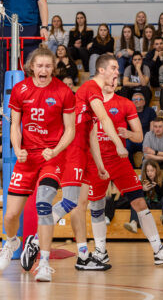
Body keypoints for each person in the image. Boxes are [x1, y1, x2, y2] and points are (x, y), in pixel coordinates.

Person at [28, 54, 128, 274]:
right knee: (73, 202)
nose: (117, 72)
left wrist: (100, 164)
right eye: (113, 68)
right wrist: (118, 143)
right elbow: (104, 119)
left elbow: (92, 133)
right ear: (101, 70)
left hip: (83, 153)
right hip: (71, 152)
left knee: (77, 203)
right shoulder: (91, 88)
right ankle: (37, 240)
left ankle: (82, 255)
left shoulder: (92, 97)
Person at [76, 83, 163, 266]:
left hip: (119, 160)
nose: (112, 81)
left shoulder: (125, 103)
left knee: (139, 201)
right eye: (109, 76)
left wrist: (128, 133)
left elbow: (140, 137)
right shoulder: (90, 102)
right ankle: (101, 252)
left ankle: (158, 250)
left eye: (116, 77)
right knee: (96, 205)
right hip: (96, 161)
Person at [0, 47, 76, 283]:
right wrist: (17, 149)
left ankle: (44, 263)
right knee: (10, 216)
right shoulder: (20, 90)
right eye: (39, 66)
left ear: (53, 67)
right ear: (32, 67)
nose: (44, 70)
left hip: (52, 158)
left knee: (43, 204)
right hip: (27, 159)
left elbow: (70, 129)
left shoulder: (63, 92)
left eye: (48, 66)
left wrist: (57, 150)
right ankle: (11, 243)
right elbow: (15, 125)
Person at [0, 0, 49, 72]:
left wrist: (44, 27)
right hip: (7, 27)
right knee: (4, 63)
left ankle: (31, 85)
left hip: (30, 27)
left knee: (31, 62)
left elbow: (42, 3)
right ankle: (4, 85)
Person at [124, 160, 163, 233]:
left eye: (151, 170)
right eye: (147, 171)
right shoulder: (141, 183)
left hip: (159, 205)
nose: (149, 173)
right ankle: (134, 223)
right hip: (146, 206)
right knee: (136, 199)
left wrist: (157, 188)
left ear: (156, 170)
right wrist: (143, 190)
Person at [126, 92, 156, 167]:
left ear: (144, 102)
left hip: (145, 139)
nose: (136, 101)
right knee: (126, 145)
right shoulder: (128, 112)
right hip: (132, 139)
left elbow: (152, 129)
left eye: (139, 99)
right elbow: (126, 130)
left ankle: (144, 166)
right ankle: (131, 167)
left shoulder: (150, 111)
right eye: (134, 99)